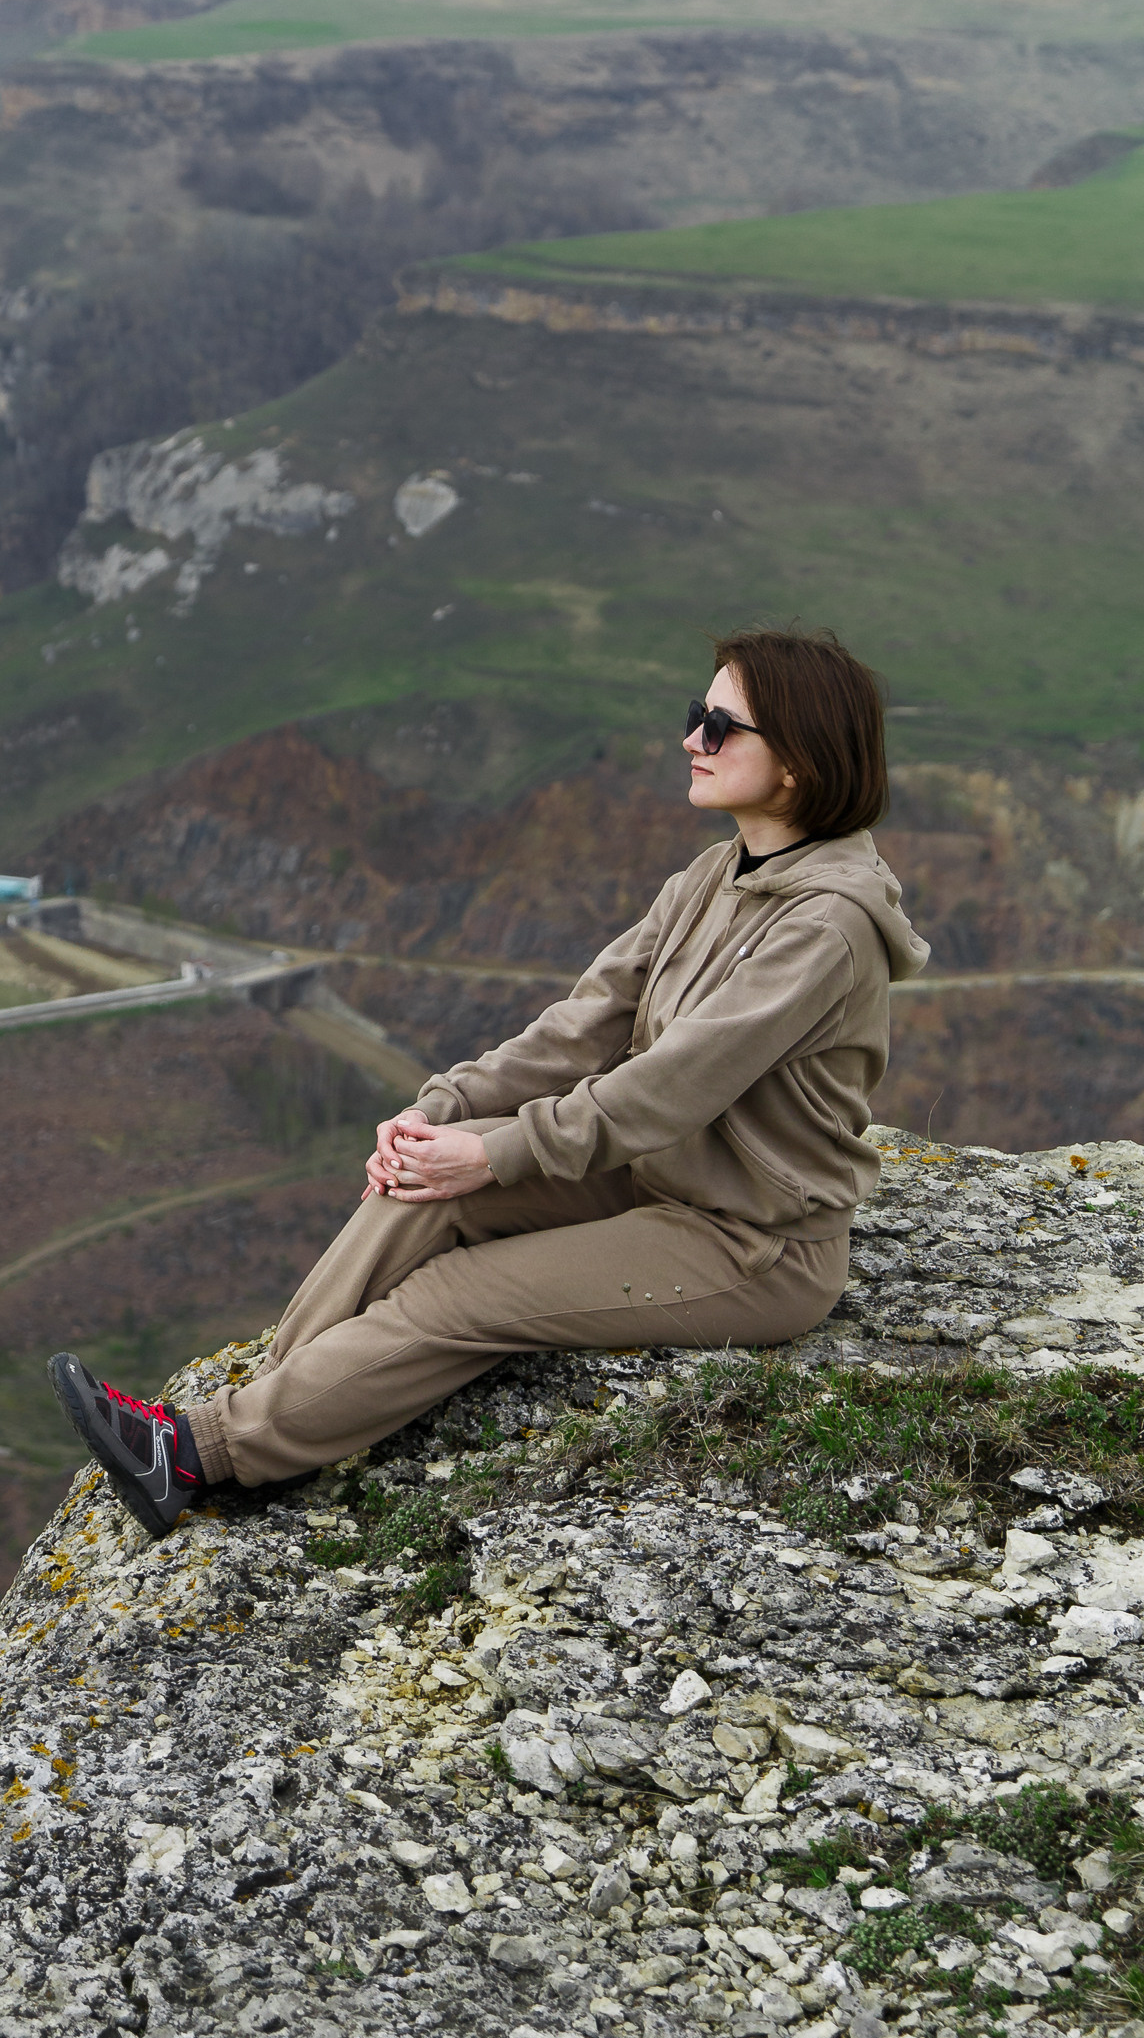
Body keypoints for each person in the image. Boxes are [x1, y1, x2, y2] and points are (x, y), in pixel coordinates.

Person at [51, 626, 929, 1540]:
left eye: (720, 726)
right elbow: (581, 1027)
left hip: (754, 1242)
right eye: (694, 718)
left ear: (796, 764)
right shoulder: (714, 874)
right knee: (417, 1191)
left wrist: (501, 1152)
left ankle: (208, 1454)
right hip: (658, 1182)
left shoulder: (825, 928)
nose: (690, 741)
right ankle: (253, 1420)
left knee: (455, 1295)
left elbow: (667, 1089)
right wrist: (443, 1110)